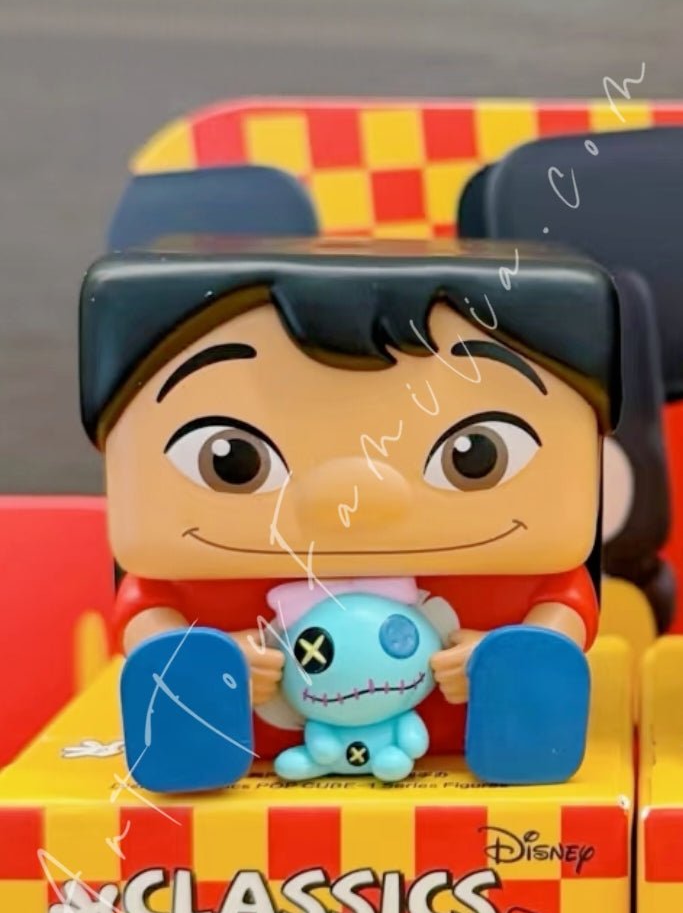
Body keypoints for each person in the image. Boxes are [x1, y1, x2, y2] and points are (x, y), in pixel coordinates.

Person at [79, 240, 620, 765]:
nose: (355, 498)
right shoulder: (178, 572)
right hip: (249, 738)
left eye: (475, 456)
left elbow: (563, 612)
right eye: (233, 461)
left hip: (462, 734)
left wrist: (505, 658)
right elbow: (146, 618)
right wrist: (206, 661)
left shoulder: (530, 566)